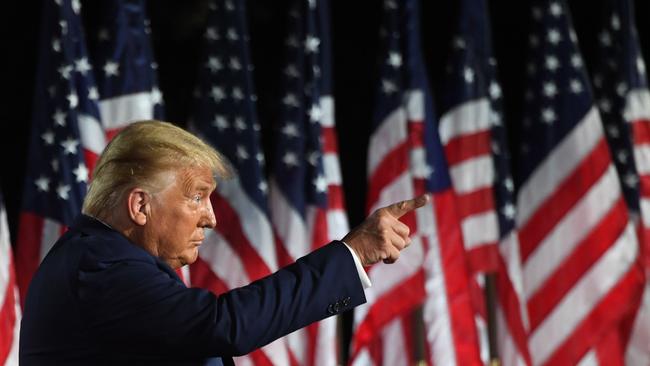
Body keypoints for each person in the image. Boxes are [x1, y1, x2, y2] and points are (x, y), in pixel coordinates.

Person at [19, 120, 429, 365]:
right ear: (140, 205)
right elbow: (224, 325)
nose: (211, 218)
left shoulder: (105, 261)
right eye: (197, 196)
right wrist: (352, 253)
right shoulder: (100, 266)